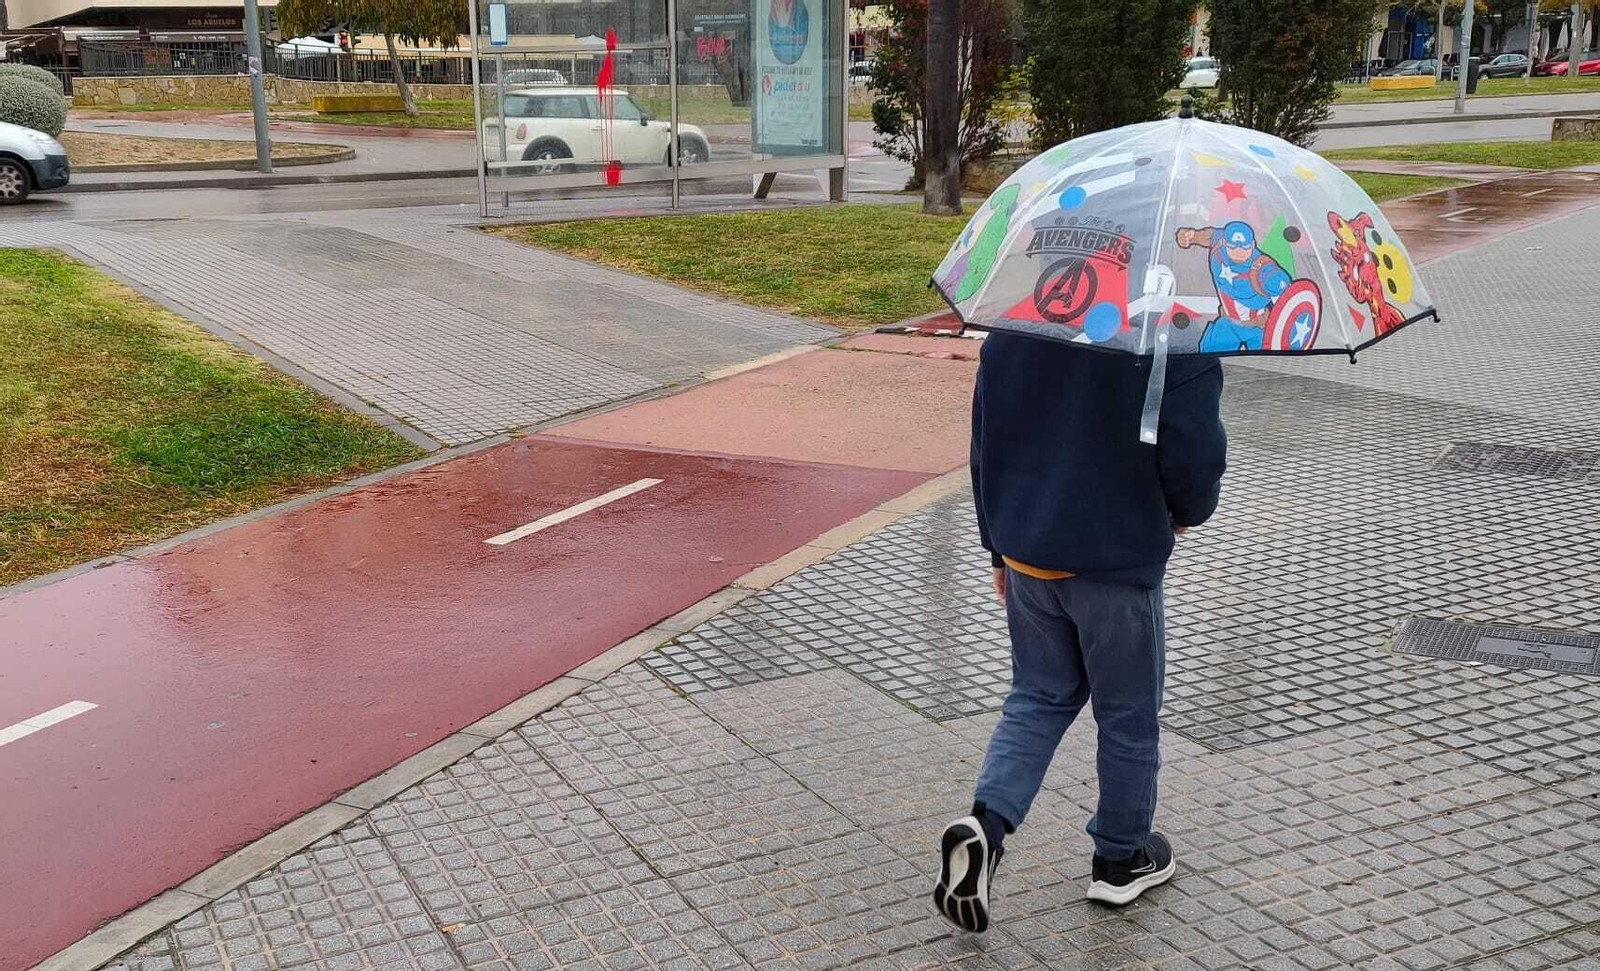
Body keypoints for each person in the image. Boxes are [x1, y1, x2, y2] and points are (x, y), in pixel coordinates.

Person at [933, 329, 1227, 932]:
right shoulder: (1175, 338)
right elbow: (1194, 452)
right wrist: (1186, 513)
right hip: (1116, 565)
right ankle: (1121, 859)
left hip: (1028, 555)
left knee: (1038, 695)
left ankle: (986, 827)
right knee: (1127, 715)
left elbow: (984, 444)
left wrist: (996, 548)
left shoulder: (1013, 332)